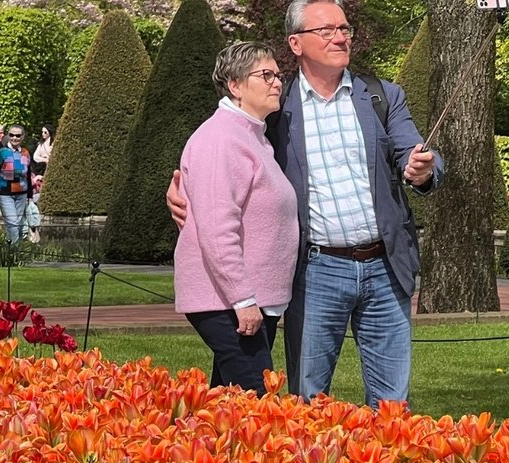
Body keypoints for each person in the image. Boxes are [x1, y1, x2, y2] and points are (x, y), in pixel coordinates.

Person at [166, 0, 443, 406]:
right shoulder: (275, 109)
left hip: (385, 268)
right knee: (304, 401)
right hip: (317, 271)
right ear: (295, 42)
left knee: (392, 407)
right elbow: (218, 161)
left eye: (344, 28)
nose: (340, 36)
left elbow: (415, 153)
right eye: (326, 29)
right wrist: (179, 190)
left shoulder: (382, 96)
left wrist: (423, 169)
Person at [174, 42, 297, 396]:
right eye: (266, 75)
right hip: (228, 303)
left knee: (226, 409)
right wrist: (243, 300)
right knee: (257, 405)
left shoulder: (253, 137)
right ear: (235, 85)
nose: (277, 83)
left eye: (278, 75)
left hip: (249, 302)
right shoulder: (220, 139)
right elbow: (217, 229)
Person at [0, 125, 34, 243]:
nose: (14, 138)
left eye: (18, 135)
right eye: (11, 135)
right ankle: (15, 252)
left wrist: (30, 196)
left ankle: (8, 250)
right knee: (12, 223)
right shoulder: (2, 153)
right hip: (4, 193)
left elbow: (28, 176)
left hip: (21, 193)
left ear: (22, 137)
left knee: (17, 223)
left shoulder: (26, 153)